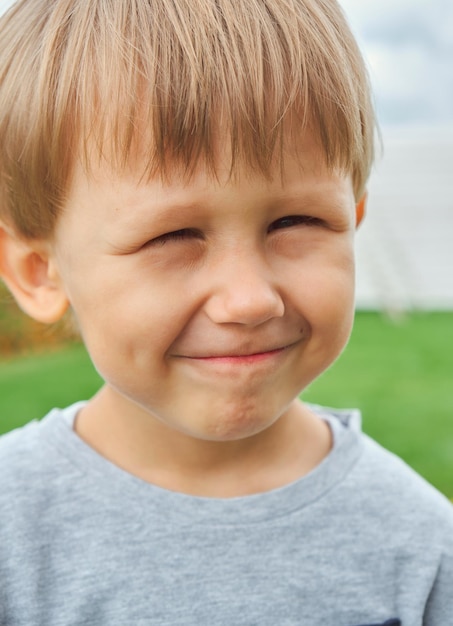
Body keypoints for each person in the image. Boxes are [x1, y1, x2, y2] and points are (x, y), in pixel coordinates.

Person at [0, 0, 451, 624]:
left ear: (354, 221)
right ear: (39, 271)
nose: (249, 299)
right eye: (173, 236)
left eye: (297, 221)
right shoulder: (13, 534)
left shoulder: (422, 546)